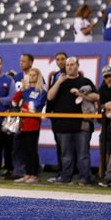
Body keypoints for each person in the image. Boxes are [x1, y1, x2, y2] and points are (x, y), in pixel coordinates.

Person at [47, 57, 99, 184]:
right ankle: (65, 177)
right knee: (66, 155)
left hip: (82, 123)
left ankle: (84, 178)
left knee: (83, 154)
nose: (69, 67)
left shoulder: (85, 81)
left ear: (78, 66)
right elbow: (49, 97)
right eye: (67, 65)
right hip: (63, 124)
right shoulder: (59, 82)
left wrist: (81, 94)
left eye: (72, 64)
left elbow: (97, 97)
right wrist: (58, 82)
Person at [12, 68, 47, 183]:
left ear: (38, 76)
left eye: (34, 75)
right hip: (23, 123)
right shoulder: (25, 90)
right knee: (25, 149)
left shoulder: (41, 91)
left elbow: (36, 106)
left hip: (33, 123)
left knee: (32, 150)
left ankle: (34, 174)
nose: (31, 77)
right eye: (30, 75)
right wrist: (21, 89)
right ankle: (27, 173)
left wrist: (25, 108)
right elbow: (14, 101)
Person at [11, 53, 35, 179]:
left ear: (31, 62)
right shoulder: (18, 77)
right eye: (20, 61)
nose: (21, 63)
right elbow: (14, 95)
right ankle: (19, 170)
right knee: (17, 144)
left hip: (30, 115)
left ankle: (32, 171)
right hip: (18, 114)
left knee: (30, 145)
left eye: (24, 61)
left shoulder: (36, 76)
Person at [46, 51, 67, 181]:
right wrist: (49, 110)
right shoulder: (55, 76)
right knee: (59, 145)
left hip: (68, 115)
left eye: (62, 59)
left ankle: (67, 172)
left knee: (68, 147)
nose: (60, 61)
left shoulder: (72, 75)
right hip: (56, 115)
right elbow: (50, 95)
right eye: (58, 59)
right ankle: (61, 171)